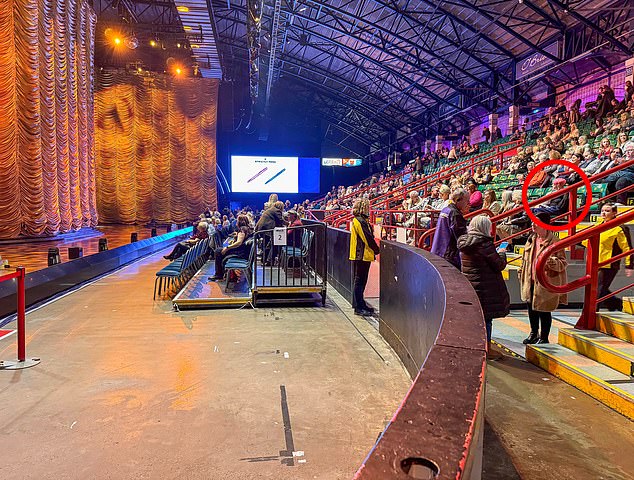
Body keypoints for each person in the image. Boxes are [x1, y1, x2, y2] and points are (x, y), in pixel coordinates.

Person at [458, 215, 510, 359]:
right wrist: (502, 253)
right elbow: (499, 264)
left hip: (471, 285)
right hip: (485, 287)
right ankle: (486, 348)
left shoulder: (464, 243)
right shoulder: (484, 245)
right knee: (487, 319)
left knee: (475, 318)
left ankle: (475, 345)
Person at [518, 212, 568, 344]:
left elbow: (563, 263)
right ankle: (533, 333)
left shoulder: (555, 242)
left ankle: (544, 337)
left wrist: (552, 262)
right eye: (532, 222)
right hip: (530, 279)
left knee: (544, 310)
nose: (533, 224)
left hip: (545, 281)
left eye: (536, 222)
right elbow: (525, 259)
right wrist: (521, 271)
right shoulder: (531, 239)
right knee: (531, 308)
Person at [583, 203, 631, 311]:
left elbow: (627, 248)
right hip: (596, 262)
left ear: (614, 213)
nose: (604, 213)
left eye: (607, 211)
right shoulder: (598, 225)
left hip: (609, 265)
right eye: (602, 210)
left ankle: (591, 314)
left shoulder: (619, 228)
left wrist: (629, 265)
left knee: (598, 290)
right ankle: (615, 303)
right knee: (599, 287)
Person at [349, 198, 380, 316]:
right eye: (367, 206)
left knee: (361, 281)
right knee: (360, 281)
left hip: (361, 254)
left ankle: (361, 304)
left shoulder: (361, 220)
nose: (369, 208)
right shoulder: (360, 221)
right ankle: (359, 307)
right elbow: (367, 238)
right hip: (361, 254)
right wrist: (377, 249)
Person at [431, 188, 469, 269]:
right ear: (459, 200)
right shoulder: (455, 214)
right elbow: (462, 239)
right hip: (448, 257)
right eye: (467, 200)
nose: (468, 203)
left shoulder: (445, 209)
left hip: (437, 251)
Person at [209, 215, 253, 281]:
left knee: (218, 251)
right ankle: (224, 273)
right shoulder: (247, 228)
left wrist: (227, 248)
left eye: (237, 220)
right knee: (219, 250)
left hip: (241, 253)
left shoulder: (242, 229)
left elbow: (239, 242)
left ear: (239, 222)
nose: (236, 222)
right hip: (244, 251)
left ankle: (219, 274)